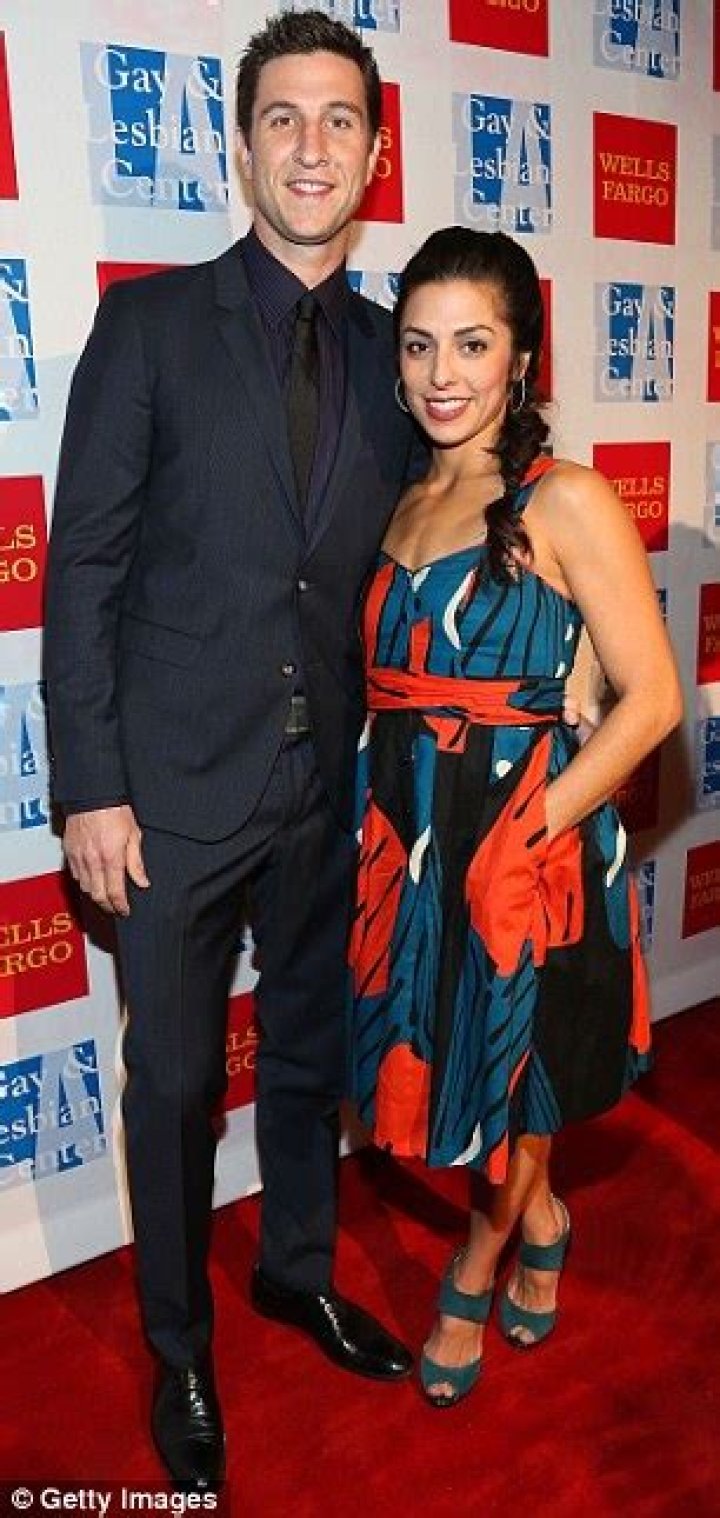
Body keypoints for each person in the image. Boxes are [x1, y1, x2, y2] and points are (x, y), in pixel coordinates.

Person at [44, 10, 421, 1491]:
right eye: (283, 118)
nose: (312, 147)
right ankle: (179, 1347)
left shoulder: (398, 355)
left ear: (374, 153)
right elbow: (84, 566)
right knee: (175, 1080)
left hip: (331, 783)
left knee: (311, 1051)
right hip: (174, 793)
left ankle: (295, 1268)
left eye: (340, 120)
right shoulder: (148, 327)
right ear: (241, 147)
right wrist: (91, 786)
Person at [348, 226, 682, 1409]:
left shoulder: (567, 498)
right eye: (419, 345)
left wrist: (537, 824)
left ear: (521, 359)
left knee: (515, 1071)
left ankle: (477, 1266)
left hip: (525, 848)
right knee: (453, 1071)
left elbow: (654, 699)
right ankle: (544, 1217)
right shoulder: (404, 496)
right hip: (410, 840)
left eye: (473, 344)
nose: (442, 373)